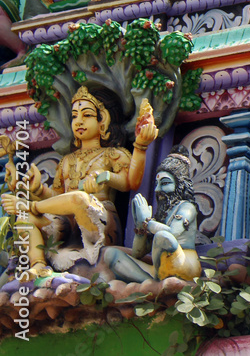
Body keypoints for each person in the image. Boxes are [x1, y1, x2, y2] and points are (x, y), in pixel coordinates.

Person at [0, 88, 156, 278]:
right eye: (74, 116)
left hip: (96, 219)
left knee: (79, 198)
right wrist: (39, 189)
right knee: (25, 220)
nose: (79, 121)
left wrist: (139, 147)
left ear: (102, 121)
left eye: (87, 115)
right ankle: (39, 263)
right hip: (67, 222)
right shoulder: (66, 160)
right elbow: (58, 198)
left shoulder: (112, 154)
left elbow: (130, 182)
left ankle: (31, 206)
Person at [103, 145, 201, 281]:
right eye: (157, 184)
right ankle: (150, 283)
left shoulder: (187, 207)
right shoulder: (161, 215)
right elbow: (138, 253)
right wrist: (140, 225)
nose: (157, 189)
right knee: (111, 254)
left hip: (184, 265)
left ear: (181, 185)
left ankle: (153, 282)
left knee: (163, 236)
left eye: (165, 183)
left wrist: (148, 222)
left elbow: (171, 233)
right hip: (159, 269)